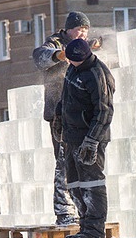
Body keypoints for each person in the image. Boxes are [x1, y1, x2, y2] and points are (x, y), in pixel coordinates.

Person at [32, 11, 101, 227]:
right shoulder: (55, 42)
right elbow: (40, 57)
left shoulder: (84, 46)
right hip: (59, 114)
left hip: (80, 115)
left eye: (85, 30)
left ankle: (82, 208)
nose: (82, 33)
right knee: (63, 161)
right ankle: (64, 211)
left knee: (80, 162)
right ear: (69, 29)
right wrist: (61, 55)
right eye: (79, 29)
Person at [55, 37, 115, 238]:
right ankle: (84, 226)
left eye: (73, 60)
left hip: (90, 139)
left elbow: (104, 112)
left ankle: (94, 230)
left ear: (83, 57)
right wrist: (59, 117)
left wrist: (92, 140)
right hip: (73, 136)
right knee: (74, 183)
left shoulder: (97, 75)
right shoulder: (74, 69)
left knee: (92, 183)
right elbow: (67, 97)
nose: (69, 63)